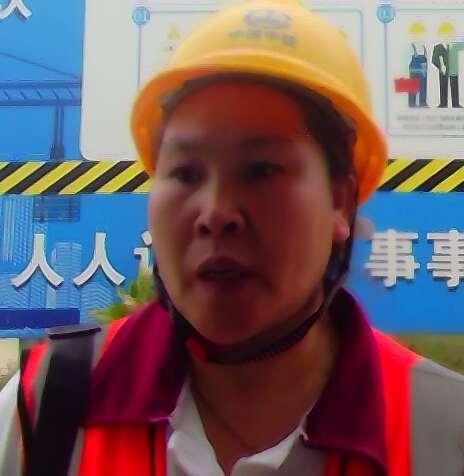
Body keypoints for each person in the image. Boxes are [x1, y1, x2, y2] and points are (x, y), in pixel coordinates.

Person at [2, 1, 464, 475]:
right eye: (185, 173)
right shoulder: (46, 403)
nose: (216, 214)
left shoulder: (444, 430)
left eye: (260, 170)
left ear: (340, 201)